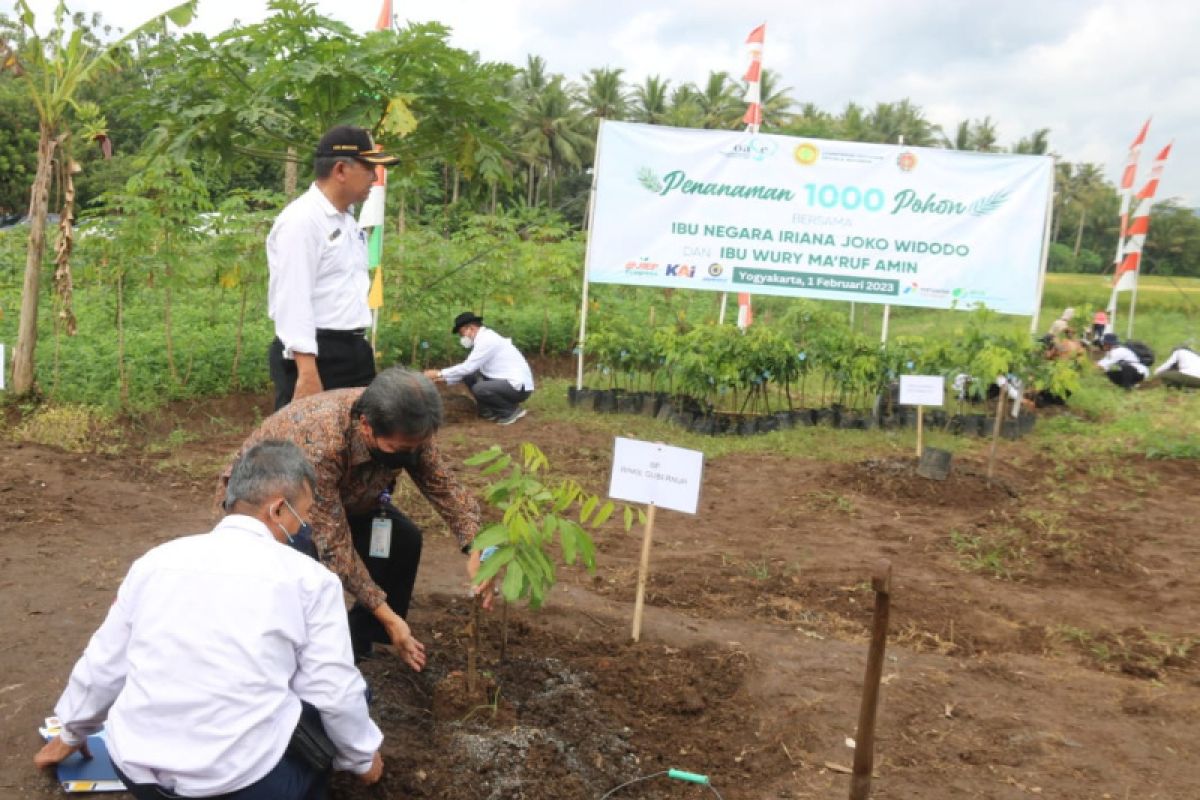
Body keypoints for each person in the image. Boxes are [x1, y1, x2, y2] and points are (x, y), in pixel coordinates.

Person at [36, 441, 384, 799]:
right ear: (278, 509)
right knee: (352, 695)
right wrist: (362, 758)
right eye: (304, 515)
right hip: (244, 781)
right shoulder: (310, 580)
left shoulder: (155, 562)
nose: (304, 527)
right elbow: (332, 688)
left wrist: (72, 731)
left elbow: (104, 661)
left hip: (140, 774)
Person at [218, 367, 490, 668]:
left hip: (351, 498)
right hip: (278, 512)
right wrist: (388, 614)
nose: (409, 456)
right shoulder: (321, 442)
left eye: (416, 448)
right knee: (307, 568)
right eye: (400, 450)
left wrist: (478, 545)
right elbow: (333, 544)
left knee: (403, 541)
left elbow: (443, 486)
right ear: (366, 426)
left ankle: (362, 641)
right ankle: (301, 659)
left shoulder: (407, 425)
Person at [266, 126, 399, 411]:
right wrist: (307, 372)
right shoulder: (302, 222)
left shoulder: (346, 219)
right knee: (308, 446)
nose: (375, 178)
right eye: (369, 170)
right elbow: (293, 299)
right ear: (341, 170)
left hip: (353, 349)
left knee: (358, 444)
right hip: (317, 355)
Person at [424, 311, 535, 425]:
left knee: (480, 388)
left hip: (518, 387)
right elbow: (468, 371)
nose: (462, 338)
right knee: (470, 377)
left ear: (471, 328)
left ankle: (510, 412)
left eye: (462, 334)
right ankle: (488, 411)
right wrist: (444, 379)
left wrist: (439, 373)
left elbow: (468, 367)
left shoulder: (487, 340)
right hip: (504, 382)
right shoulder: (482, 340)